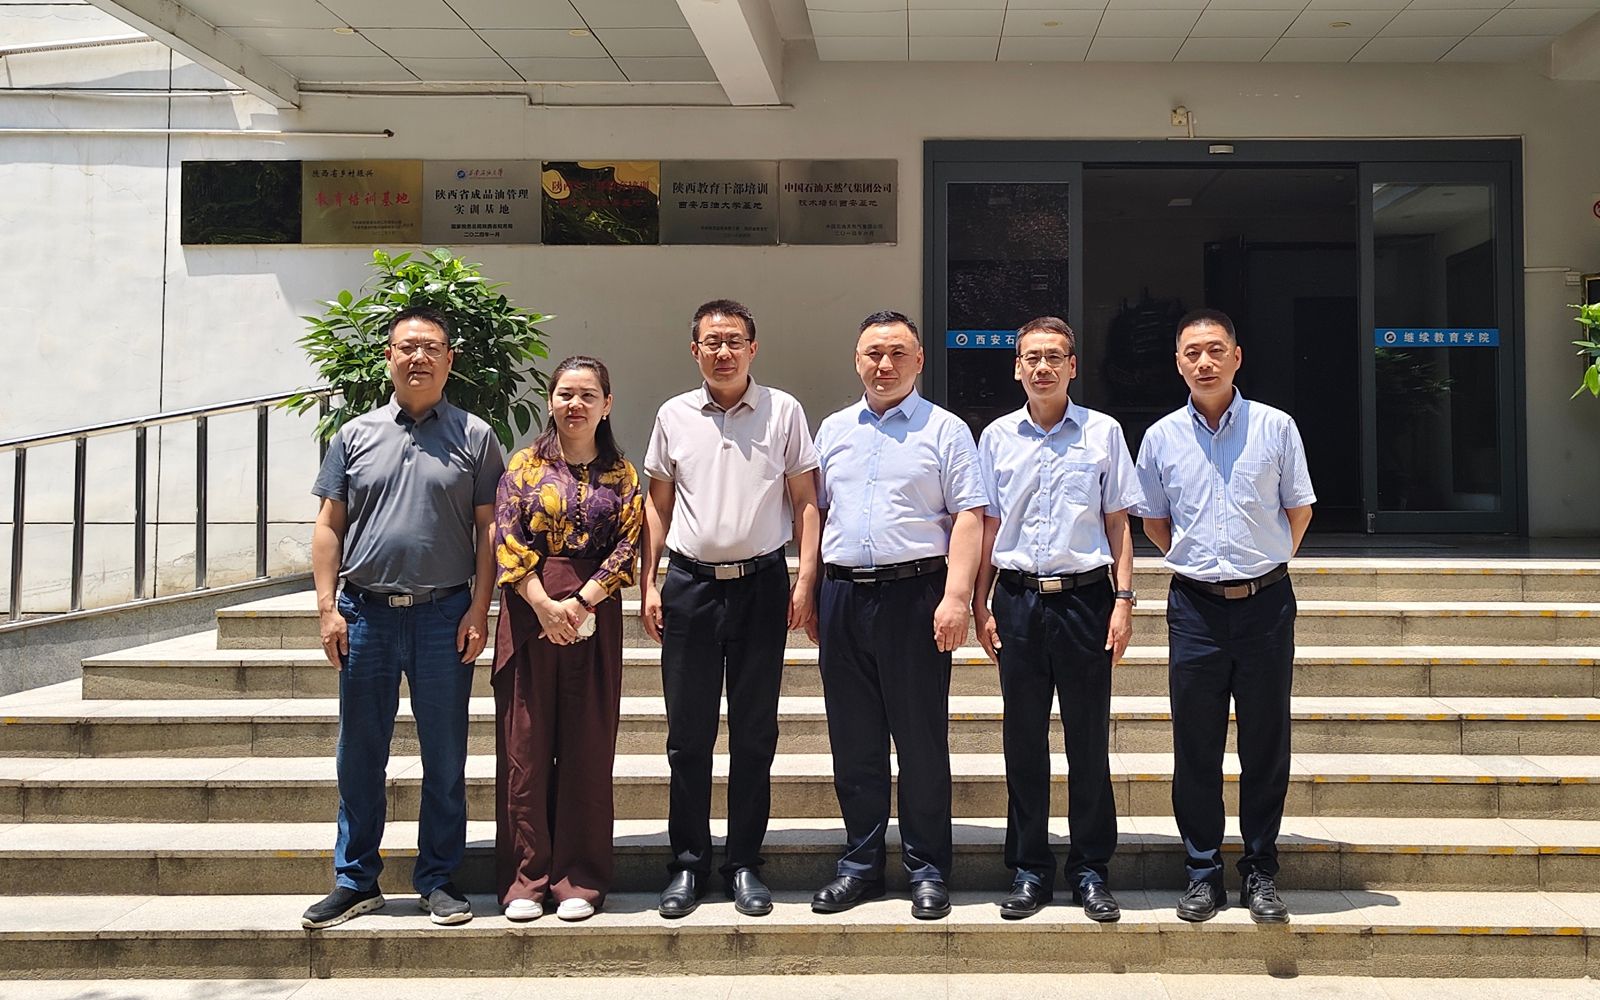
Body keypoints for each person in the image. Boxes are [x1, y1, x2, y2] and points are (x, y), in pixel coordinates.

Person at [302, 305, 504, 929]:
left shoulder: (476, 436)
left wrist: (480, 608)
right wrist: (327, 608)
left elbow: (490, 530)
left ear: (450, 360)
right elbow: (329, 525)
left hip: (445, 615)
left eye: (431, 347)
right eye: (407, 347)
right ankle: (355, 879)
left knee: (444, 755)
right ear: (388, 357)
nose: (419, 357)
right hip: (365, 616)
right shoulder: (354, 435)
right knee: (360, 753)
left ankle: (437, 878)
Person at [1133, 307, 1315, 924]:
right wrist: (1202, 565)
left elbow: (1298, 510)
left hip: (1266, 605)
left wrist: (1262, 565)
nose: (1204, 362)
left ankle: (1261, 871)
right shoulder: (1160, 437)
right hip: (1195, 608)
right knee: (1196, 744)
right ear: (1178, 363)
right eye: (1192, 352)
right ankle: (1202, 871)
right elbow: (1155, 521)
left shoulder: (1275, 427)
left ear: (1237, 357)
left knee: (1266, 742)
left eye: (1216, 350)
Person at [640, 299, 820, 918]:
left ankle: (744, 862)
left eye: (734, 341)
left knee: (755, 733)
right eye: (712, 342)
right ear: (695, 350)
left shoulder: (783, 410)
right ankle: (688, 864)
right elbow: (658, 503)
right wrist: (648, 581)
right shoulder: (673, 415)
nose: (723, 352)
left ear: (753, 348)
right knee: (687, 736)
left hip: (761, 585)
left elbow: (805, 500)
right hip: (689, 587)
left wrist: (806, 577)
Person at [809, 309, 986, 921]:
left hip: (916, 597)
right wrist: (810, 587)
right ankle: (858, 865)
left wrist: (956, 597)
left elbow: (969, 515)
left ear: (919, 360)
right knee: (853, 739)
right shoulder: (832, 430)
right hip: (842, 595)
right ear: (857, 360)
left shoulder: (946, 429)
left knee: (920, 740)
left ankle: (927, 868)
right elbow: (816, 514)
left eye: (897, 354)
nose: (884, 365)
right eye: (873, 354)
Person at [972, 316, 1141, 922]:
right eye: (1031, 357)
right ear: (1016, 367)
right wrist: (979, 603)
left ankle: (1090, 869)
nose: (1041, 367)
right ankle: (1028, 869)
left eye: (1053, 357)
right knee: (1023, 741)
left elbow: (1119, 522)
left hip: (1085, 601)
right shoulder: (996, 437)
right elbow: (988, 526)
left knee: (1087, 740)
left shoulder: (1103, 432)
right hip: (1017, 601)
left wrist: (1124, 600)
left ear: (1072, 366)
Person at [492, 355, 642, 923]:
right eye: (564, 394)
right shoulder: (523, 467)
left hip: (592, 616)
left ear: (607, 405)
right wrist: (543, 605)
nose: (575, 404)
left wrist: (580, 604)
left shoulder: (623, 475)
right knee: (525, 749)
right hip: (528, 613)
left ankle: (579, 878)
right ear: (551, 401)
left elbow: (629, 546)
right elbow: (506, 538)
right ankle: (525, 880)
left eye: (587, 395)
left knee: (587, 747)